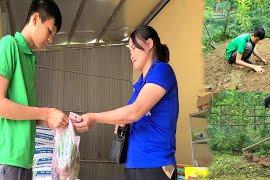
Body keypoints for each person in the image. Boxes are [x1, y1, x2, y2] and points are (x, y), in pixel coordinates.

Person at [73, 25, 179, 180]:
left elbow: (134, 112)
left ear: (149, 44)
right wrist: (122, 122)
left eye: (134, 48)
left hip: (155, 165)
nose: (131, 55)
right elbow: (131, 114)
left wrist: (94, 117)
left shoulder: (162, 70)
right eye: (130, 51)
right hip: (133, 164)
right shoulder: (140, 85)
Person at [0, 0, 68, 179]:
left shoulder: (30, 59)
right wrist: (45, 113)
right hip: (8, 158)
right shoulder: (9, 45)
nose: (51, 39)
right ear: (36, 18)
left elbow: (25, 112)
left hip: (25, 160)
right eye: (50, 31)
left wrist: (53, 120)